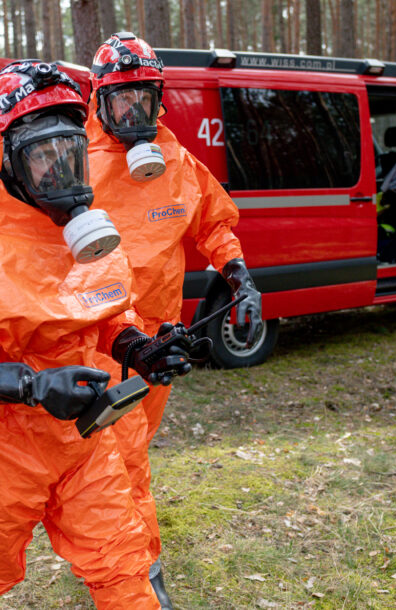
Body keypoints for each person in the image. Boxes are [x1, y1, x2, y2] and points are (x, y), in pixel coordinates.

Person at [0, 60, 190, 609]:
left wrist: (139, 348)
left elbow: (104, 311)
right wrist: (29, 386)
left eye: (70, 153)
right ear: (3, 158)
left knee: (123, 563)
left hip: (83, 441)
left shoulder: (76, 234)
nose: (61, 173)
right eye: (42, 156)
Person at [87, 31, 264, 608]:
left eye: (145, 100)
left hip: (163, 340)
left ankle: (111, 552)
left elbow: (213, 223)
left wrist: (239, 275)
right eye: (122, 102)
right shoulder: (74, 164)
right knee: (124, 457)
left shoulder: (178, 164)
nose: (135, 114)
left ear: (159, 97)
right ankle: (140, 574)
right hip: (98, 337)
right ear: (99, 101)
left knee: (129, 451)